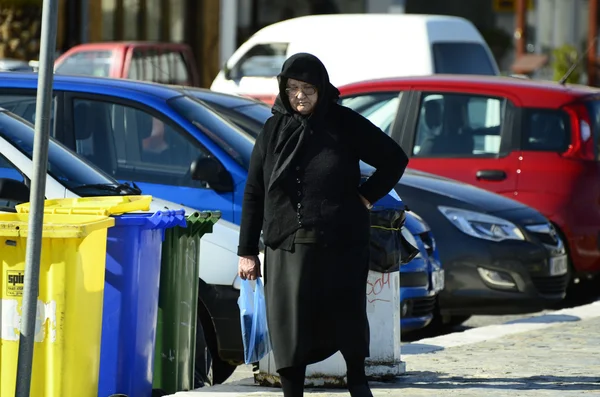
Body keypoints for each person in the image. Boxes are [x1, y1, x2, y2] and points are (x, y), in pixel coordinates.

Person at [237, 53, 409, 397]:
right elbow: (255, 190)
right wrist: (246, 252)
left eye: (308, 89)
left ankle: (358, 385)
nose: (299, 96)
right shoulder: (272, 130)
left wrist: (366, 196)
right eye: (292, 88)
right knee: (291, 325)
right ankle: (292, 394)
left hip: (340, 240)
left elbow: (394, 159)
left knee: (346, 318)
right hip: (286, 243)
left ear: (322, 89)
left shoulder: (344, 123)